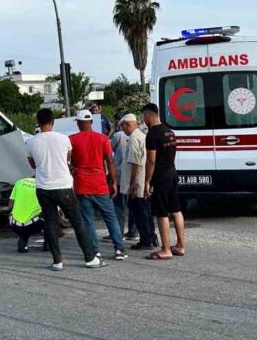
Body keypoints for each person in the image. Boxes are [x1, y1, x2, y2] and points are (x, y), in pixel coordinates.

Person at [26, 108, 104, 271]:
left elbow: (33, 164)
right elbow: (68, 158)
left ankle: (57, 261)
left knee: (50, 223)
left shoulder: (31, 142)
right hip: (63, 186)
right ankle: (89, 258)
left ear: (38, 123)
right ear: (52, 122)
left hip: (43, 187)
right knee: (77, 222)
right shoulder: (63, 139)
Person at [70, 109, 128, 261]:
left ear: (79, 123)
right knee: (110, 217)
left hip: (82, 185)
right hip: (100, 184)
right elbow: (110, 161)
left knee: (88, 220)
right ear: (91, 122)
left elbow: (68, 161)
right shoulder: (102, 139)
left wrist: (73, 170)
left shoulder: (72, 139)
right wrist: (114, 182)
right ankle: (119, 249)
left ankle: (95, 251)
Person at [143, 103, 185, 260]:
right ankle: (180, 246)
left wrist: (147, 181)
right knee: (176, 209)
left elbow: (151, 161)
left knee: (161, 212)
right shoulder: (170, 132)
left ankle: (166, 249)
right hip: (172, 172)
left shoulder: (152, 134)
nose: (144, 120)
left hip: (160, 176)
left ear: (147, 115)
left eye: (143, 116)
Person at [118, 113, 158, 249]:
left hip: (137, 183)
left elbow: (135, 163)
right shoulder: (142, 136)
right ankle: (152, 237)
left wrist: (132, 184)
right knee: (146, 211)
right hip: (142, 181)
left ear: (128, 124)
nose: (123, 130)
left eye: (123, 127)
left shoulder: (134, 138)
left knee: (139, 212)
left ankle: (145, 240)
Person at [8, 176, 47, 253]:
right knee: (50, 217)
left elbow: (10, 205)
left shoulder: (19, 182)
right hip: (35, 224)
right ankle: (48, 243)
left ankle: (23, 241)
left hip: (14, 224)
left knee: (23, 221)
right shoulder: (43, 185)